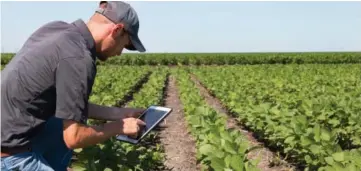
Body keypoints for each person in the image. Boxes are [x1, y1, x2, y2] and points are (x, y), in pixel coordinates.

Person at [1, 1, 147, 170]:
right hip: (9, 155)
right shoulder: (79, 59)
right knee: (66, 129)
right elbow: (74, 138)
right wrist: (119, 127)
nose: (120, 52)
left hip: (8, 131)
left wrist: (120, 113)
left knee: (58, 123)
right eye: (126, 45)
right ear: (117, 30)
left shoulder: (56, 29)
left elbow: (70, 106)